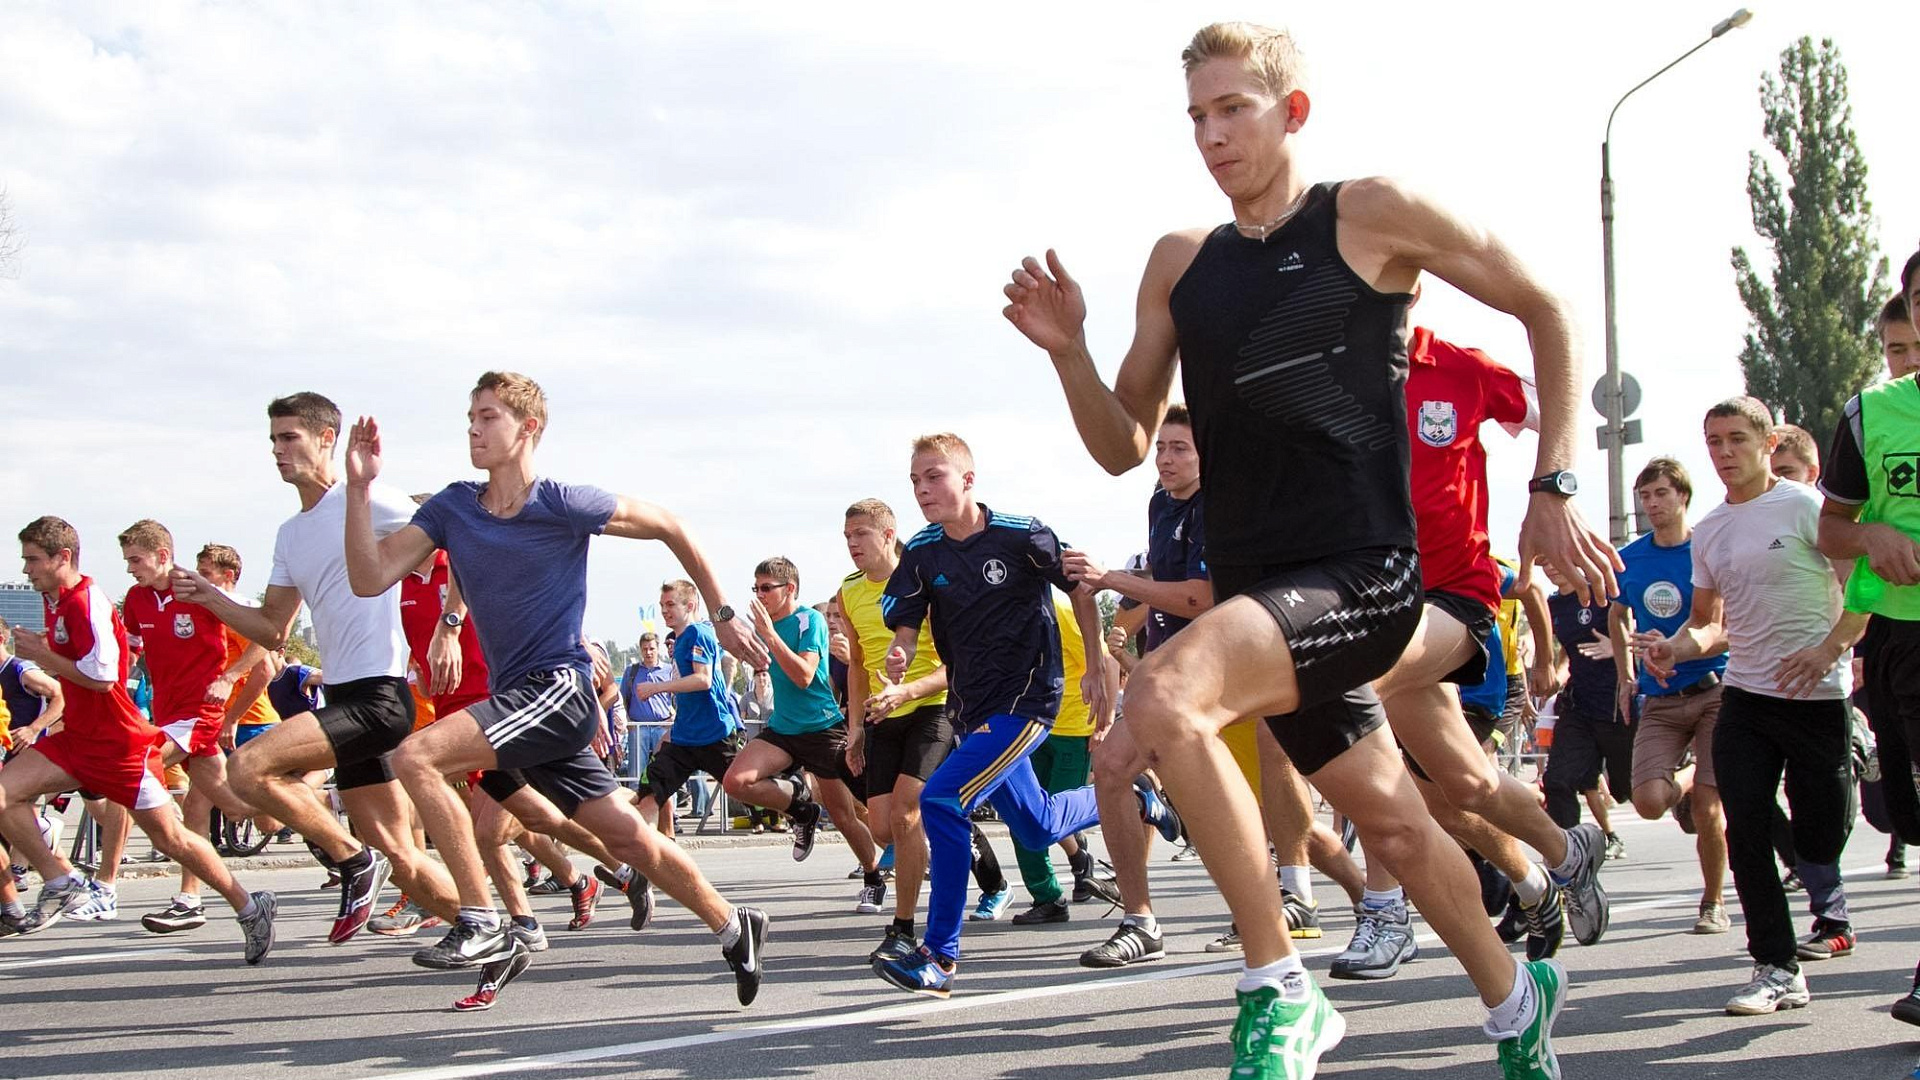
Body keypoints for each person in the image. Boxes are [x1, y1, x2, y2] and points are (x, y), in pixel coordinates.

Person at [1003, 22, 1616, 1077]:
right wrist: (1072, 354)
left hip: (1363, 576)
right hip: (1260, 592)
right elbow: (1123, 446)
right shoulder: (1181, 264)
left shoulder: (1369, 214)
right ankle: (1522, 1006)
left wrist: (1553, 482)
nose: (1211, 133)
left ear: (1293, 111)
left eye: (1232, 107)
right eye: (1196, 114)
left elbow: (1547, 309)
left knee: (1165, 694)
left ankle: (1278, 985)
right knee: (1398, 823)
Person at [341, 371, 772, 1006]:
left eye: (488, 417)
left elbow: (670, 525)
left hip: (558, 688)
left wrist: (722, 610)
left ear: (528, 428)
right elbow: (368, 575)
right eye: (470, 419)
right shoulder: (453, 508)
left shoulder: (562, 503)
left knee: (414, 755)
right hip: (523, 702)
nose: (474, 430)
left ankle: (482, 921)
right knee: (627, 838)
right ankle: (735, 926)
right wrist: (358, 489)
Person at [167, 391, 463, 944]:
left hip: (380, 696)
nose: (278, 451)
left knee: (249, 768)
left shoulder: (371, 501)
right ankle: (494, 930)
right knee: (402, 856)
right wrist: (208, 597)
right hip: (344, 697)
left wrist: (450, 625)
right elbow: (273, 628)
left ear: (327, 439)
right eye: (274, 440)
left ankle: (352, 861)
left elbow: (462, 539)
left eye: (289, 438)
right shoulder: (290, 533)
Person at [870, 433, 1153, 999]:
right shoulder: (923, 552)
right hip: (972, 706)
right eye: (915, 481)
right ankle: (1137, 796)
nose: (923, 490)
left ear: (967, 479)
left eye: (934, 477)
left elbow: (1079, 584)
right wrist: (901, 652)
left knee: (941, 801)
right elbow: (906, 622)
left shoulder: (1022, 534)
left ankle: (939, 957)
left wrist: (1097, 664)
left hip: (1026, 699)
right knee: (1037, 823)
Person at [1640, 397, 1861, 1016]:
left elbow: (1861, 588)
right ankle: (1777, 966)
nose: (1724, 452)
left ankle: (1824, 874)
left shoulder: (1805, 507)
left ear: (1767, 446)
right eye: (1713, 441)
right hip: (1746, 695)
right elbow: (1709, 624)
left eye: (1736, 439)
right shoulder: (1709, 529)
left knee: (1821, 835)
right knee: (1746, 824)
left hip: (1818, 695)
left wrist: (1828, 649)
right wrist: (1673, 649)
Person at [0, 516, 275, 961]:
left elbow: (104, 678)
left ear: (61, 557)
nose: (25, 569)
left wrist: (229, 677)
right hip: (93, 736)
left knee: (173, 833)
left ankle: (243, 902)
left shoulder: (105, 597)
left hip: (134, 738)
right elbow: (117, 653)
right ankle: (62, 880)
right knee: (219, 804)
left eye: (32, 560)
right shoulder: (104, 600)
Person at [1816, 275, 1920, 1024]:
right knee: (1908, 815)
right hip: (1903, 639)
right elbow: (1831, 532)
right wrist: (1872, 536)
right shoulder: (1871, 413)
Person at [117, 524, 278, 933]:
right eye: (128, 561)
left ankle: (120, 882)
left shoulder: (200, 590)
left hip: (204, 713)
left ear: (163, 553)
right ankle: (308, 813)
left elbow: (266, 638)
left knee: (137, 766)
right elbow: (140, 653)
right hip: (170, 714)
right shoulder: (136, 600)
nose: (130, 569)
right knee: (233, 806)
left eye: (136, 560)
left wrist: (229, 678)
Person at [838, 499, 962, 963]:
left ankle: (904, 927)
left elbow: (957, 666)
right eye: (847, 536)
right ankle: (949, 836)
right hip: (881, 715)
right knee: (883, 828)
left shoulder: (925, 582)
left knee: (908, 813)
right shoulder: (849, 591)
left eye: (861, 534)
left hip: (933, 707)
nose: (852, 544)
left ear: (888, 535)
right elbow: (855, 664)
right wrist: (854, 729)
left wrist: (907, 692)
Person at [1611, 459, 1731, 935]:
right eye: (1645, 496)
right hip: (1660, 696)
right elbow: (1618, 615)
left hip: (1714, 691)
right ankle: (1685, 776)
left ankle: (1713, 902)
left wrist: (1676, 648)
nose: (1652, 504)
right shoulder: (1633, 557)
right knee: (1647, 801)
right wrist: (1626, 674)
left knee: (1708, 808)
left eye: (1661, 493)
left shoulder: (1707, 549)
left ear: (1683, 496)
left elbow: (1721, 626)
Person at [721, 557, 884, 893]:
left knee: (843, 815)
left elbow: (804, 676)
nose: (760, 595)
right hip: (783, 729)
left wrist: (768, 635)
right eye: (756, 588)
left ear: (789, 588)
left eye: (766, 588)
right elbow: (736, 647)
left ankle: (873, 875)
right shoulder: (762, 628)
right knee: (736, 781)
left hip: (822, 728)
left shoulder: (809, 620)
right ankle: (802, 810)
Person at [620, 633, 675, 790]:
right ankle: (635, 808)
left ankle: (669, 809)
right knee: (636, 771)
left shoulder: (669, 671)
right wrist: (628, 720)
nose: (648, 652)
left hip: (663, 727)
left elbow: (680, 696)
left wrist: (675, 716)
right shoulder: (632, 671)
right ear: (640, 650)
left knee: (666, 768)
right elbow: (622, 697)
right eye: (645, 649)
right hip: (639, 727)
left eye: (651, 648)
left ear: (658, 649)